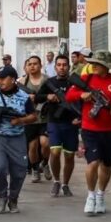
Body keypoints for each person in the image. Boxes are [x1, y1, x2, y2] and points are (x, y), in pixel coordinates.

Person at [66, 50, 111, 216]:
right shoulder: (86, 79)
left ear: (105, 66)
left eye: (97, 64)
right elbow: (69, 95)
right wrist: (83, 95)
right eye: (92, 63)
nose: (93, 66)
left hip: (110, 130)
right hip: (90, 129)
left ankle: (101, 195)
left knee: (106, 164)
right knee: (93, 162)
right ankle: (90, 196)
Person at [0, 66, 37, 214]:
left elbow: (33, 116)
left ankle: (13, 198)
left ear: (12, 79)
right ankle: (2, 197)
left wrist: (20, 120)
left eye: (3, 78)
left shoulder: (24, 97)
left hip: (17, 138)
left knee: (20, 171)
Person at [35, 55, 80, 198]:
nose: (62, 67)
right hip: (54, 122)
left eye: (64, 65)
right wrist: (47, 97)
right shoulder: (50, 83)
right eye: (59, 65)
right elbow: (37, 97)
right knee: (54, 152)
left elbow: (82, 101)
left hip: (71, 123)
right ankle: (56, 180)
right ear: (55, 67)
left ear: (68, 66)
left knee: (69, 156)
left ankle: (65, 184)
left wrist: (79, 118)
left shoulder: (75, 83)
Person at [19, 56, 51, 183]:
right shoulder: (22, 82)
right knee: (32, 147)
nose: (32, 66)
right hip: (29, 118)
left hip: (45, 117)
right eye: (30, 64)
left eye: (35, 64)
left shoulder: (47, 80)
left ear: (40, 65)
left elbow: (53, 96)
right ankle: (35, 169)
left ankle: (45, 163)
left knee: (45, 143)